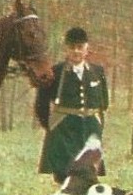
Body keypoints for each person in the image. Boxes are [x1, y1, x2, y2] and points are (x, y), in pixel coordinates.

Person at [35, 26, 110, 180]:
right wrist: (53, 127)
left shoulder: (97, 72)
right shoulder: (54, 72)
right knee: (65, 177)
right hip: (64, 132)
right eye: (72, 47)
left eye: (80, 47)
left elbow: (104, 103)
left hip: (90, 132)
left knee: (89, 177)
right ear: (66, 49)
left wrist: (96, 123)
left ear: (87, 48)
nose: (76, 51)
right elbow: (41, 105)